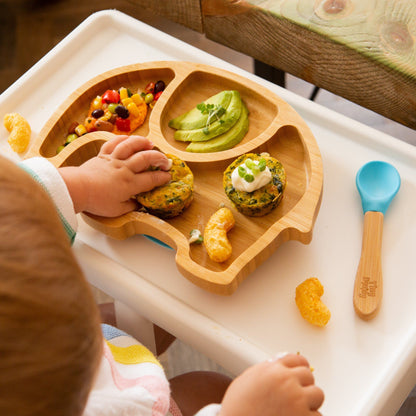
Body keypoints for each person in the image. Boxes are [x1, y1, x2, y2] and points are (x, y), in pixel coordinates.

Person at [0, 135, 324, 416]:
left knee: (161, 321)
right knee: (210, 387)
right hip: (133, 402)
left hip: (108, 352)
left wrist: (79, 184)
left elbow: (11, 210)